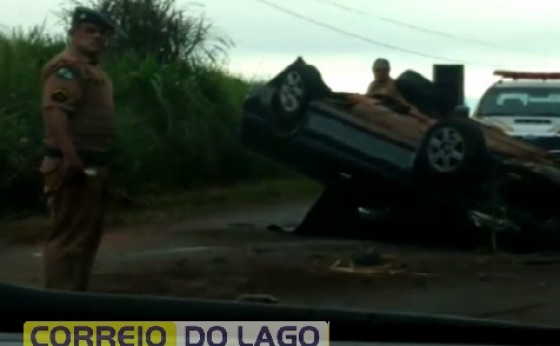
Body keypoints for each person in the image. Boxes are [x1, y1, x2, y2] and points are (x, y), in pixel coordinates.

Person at [38, 6, 116, 291]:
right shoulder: (66, 69)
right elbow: (55, 111)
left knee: (86, 237)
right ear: (74, 33)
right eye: (90, 31)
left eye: (103, 33)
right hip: (73, 162)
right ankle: (59, 308)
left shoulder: (91, 70)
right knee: (68, 239)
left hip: (93, 163)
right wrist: (70, 157)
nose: (97, 38)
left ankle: (75, 301)